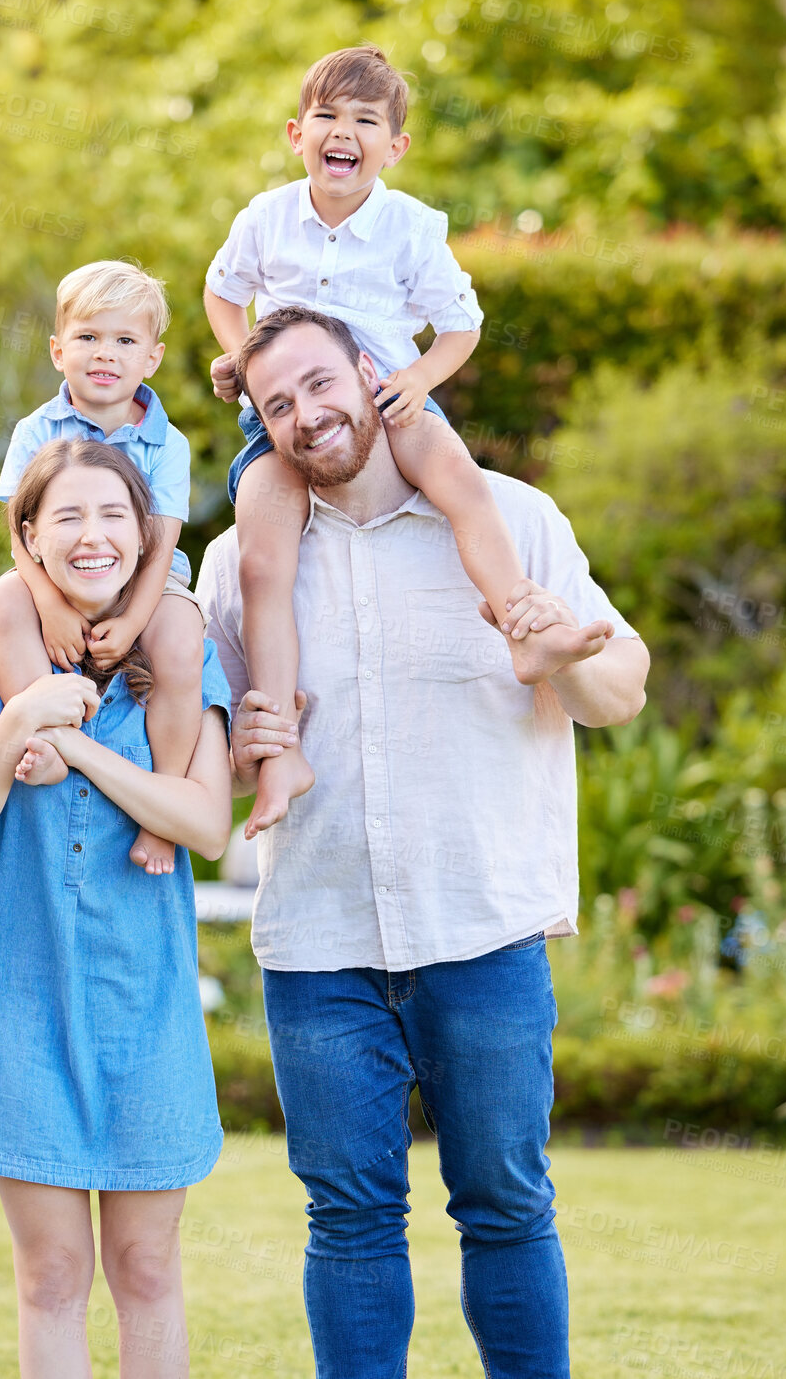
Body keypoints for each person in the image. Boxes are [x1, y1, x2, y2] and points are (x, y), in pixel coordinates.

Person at [198, 306, 651, 1379]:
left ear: (369, 371)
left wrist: (558, 658)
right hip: (319, 941)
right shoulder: (238, 563)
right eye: (277, 406)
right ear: (261, 428)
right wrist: (237, 750)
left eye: (319, 383)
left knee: (503, 1202)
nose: (307, 415)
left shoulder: (509, 520)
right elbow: (203, 762)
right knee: (348, 1216)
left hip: (482, 932)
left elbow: (618, 688)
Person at [204, 44, 585, 839]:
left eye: (365, 122)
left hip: (387, 395)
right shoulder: (265, 217)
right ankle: (280, 751)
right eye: (327, 118)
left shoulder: (410, 227)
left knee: (462, 488)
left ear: (394, 146)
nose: (343, 133)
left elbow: (460, 325)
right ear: (295, 133)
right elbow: (220, 290)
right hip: (292, 419)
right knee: (261, 561)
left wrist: (419, 379)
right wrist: (240, 356)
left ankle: (523, 626)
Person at [0, 439, 234, 1377]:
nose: (91, 535)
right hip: (19, 997)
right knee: (52, 1271)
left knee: (145, 1264)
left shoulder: (179, 654)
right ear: (29, 537)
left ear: (144, 538)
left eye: (112, 515)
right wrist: (21, 718)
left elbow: (206, 825)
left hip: (145, 998)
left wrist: (84, 748)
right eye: (66, 516)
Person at [0, 259, 204, 874]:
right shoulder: (37, 429)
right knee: (3, 602)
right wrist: (50, 605)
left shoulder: (168, 442)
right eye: (88, 337)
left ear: (151, 359)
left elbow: (161, 543)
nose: (104, 353)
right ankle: (49, 739)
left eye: (124, 340)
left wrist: (135, 621)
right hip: (56, 574)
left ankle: (164, 812)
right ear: (58, 351)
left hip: (146, 582)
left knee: (184, 637)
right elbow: (18, 529)